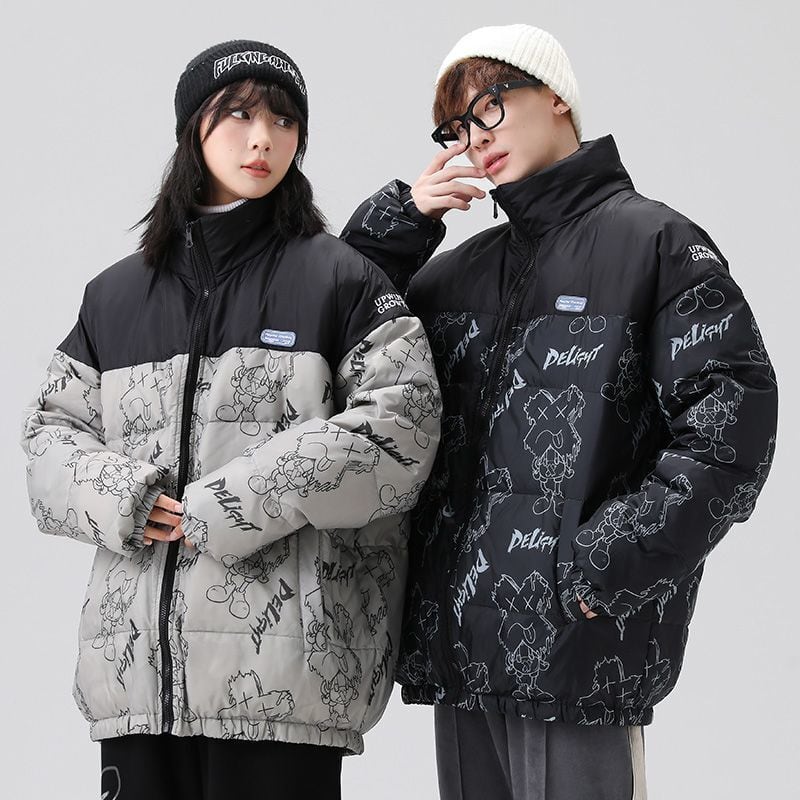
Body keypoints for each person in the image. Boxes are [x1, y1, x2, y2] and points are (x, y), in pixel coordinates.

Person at [341, 23, 778, 800]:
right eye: (457, 128)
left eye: (490, 107)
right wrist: (401, 224)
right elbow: (332, 335)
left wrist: (596, 567)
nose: (476, 139)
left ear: (555, 97)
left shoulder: (656, 245)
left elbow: (731, 434)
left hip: (581, 652)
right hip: (463, 653)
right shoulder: (454, 275)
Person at [21, 39, 440, 800]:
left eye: (283, 121)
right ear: (194, 129)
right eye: (239, 115)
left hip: (284, 682)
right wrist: (128, 497)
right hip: (138, 682)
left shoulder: (340, 279)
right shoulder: (115, 296)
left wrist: (238, 500)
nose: (263, 139)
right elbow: (48, 441)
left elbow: (402, 429)